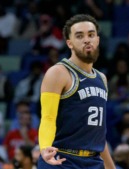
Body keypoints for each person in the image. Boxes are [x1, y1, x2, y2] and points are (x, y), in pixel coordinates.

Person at [37, 14, 115, 169]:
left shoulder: (102, 78)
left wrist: (111, 167)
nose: (87, 39)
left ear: (97, 40)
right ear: (69, 43)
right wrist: (45, 148)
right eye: (79, 36)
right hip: (62, 159)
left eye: (91, 35)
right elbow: (48, 117)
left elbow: (97, 133)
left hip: (93, 161)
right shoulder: (58, 72)